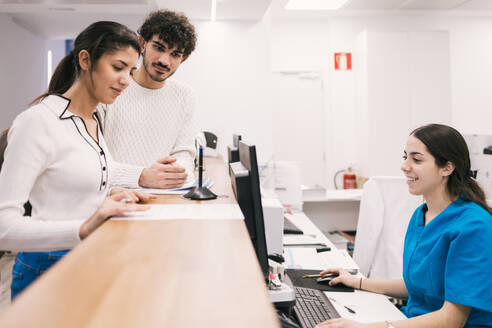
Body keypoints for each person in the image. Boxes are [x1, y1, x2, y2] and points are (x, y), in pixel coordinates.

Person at [0, 21, 154, 300]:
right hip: (46, 269)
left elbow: (82, 171)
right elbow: (4, 227)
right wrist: (84, 227)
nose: (126, 81)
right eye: (118, 67)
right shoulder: (37, 122)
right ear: (85, 59)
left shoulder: (93, 118)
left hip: (89, 257)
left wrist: (118, 189)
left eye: (131, 71)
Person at [316, 124, 492, 328]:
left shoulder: (474, 227)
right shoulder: (422, 214)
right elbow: (418, 287)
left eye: (416, 159)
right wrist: (357, 282)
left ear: (447, 167)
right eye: (405, 157)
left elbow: (451, 320)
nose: (404, 166)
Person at [98, 9, 198, 190]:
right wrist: (141, 177)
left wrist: (175, 173)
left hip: (161, 198)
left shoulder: (185, 96)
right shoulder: (111, 89)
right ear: (142, 43)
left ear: (183, 59)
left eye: (175, 54)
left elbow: (184, 152)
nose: (165, 61)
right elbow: (94, 160)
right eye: (159, 48)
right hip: (114, 198)